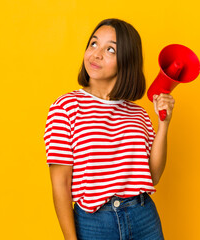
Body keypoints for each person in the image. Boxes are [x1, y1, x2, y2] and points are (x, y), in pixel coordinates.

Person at [44, 18, 175, 240]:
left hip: (143, 216)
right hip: (94, 223)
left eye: (110, 49)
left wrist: (164, 124)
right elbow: (61, 185)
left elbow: (153, 176)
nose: (96, 54)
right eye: (93, 44)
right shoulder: (66, 107)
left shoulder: (138, 114)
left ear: (126, 61)